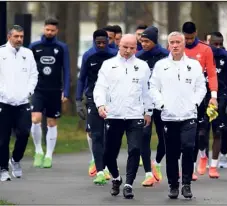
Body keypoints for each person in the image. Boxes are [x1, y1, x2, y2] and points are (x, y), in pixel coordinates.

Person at [93, 34, 153, 199]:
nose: (128, 51)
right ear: (119, 45)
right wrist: (100, 104)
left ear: (136, 47)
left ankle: (128, 184)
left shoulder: (142, 66)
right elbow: (100, 88)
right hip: (114, 114)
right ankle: (116, 178)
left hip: (135, 114)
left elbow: (147, 91)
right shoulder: (108, 65)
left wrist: (148, 111)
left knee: (134, 149)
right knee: (108, 154)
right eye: (125, 47)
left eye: (132, 48)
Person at [149, 31, 206, 199]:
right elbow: (153, 87)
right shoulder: (161, 66)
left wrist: (194, 102)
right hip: (168, 116)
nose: (175, 45)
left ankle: (186, 184)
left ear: (183, 44)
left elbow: (201, 87)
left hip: (189, 115)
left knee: (188, 147)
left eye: (178, 42)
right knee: (172, 152)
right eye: (172, 42)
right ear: (168, 45)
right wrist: (161, 105)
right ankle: (173, 185)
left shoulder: (194, 65)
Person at [76, 29, 117, 185]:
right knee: (96, 135)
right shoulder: (88, 55)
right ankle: (100, 171)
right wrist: (79, 100)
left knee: (109, 136)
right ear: (94, 42)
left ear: (108, 41)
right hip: (93, 99)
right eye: (98, 43)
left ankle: (107, 167)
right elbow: (82, 79)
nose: (101, 45)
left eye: (104, 42)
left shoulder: (114, 55)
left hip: (111, 100)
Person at [29, 18, 70, 168]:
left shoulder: (62, 47)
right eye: (47, 29)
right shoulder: (34, 46)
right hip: (38, 89)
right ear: (43, 29)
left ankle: (48, 155)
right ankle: (39, 151)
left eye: (52, 30)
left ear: (56, 31)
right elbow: (27, 68)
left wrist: (65, 90)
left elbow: (66, 69)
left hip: (54, 90)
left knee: (52, 122)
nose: (49, 32)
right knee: (35, 118)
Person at [0, 25, 38, 181]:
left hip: (22, 102)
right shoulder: (1, 52)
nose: (19, 39)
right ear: (9, 36)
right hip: (3, 102)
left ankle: (15, 160)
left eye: (21, 36)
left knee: (23, 133)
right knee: (3, 138)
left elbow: (33, 75)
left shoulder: (27, 54)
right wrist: (3, 93)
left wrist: (28, 92)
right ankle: (3, 168)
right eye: (16, 36)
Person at [182, 21, 218, 180]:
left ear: (195, 33)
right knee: (184, 134)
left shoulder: (205, 49)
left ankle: (202, 155)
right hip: (181, 97)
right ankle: (188, 169)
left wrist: (214, 96)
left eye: (190, 37)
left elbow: (211, 74)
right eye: (186, 38)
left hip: (200, 96)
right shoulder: (176, 47)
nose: (188, 41)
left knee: (200, 133)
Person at [136, 26, 169, 186]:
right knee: (144, 136)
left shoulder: (165, 56)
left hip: (162, 103)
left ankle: (156, 162)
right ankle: (148, 173)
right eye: (141, 41)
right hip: (144, 104)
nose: (143, 44)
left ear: (154, 41)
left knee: (164, 138)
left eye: (146, 41)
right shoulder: (138, 57)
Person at [205, 32, 227, 178]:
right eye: (214, 44)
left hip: (221, 97)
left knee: (218, 131)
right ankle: (202, 157)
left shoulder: (226, 56)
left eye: (220, 44)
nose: (217, 47)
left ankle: (214, 164)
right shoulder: (203, 54)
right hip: (205, 96)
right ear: (208, 42)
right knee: (202, 132)